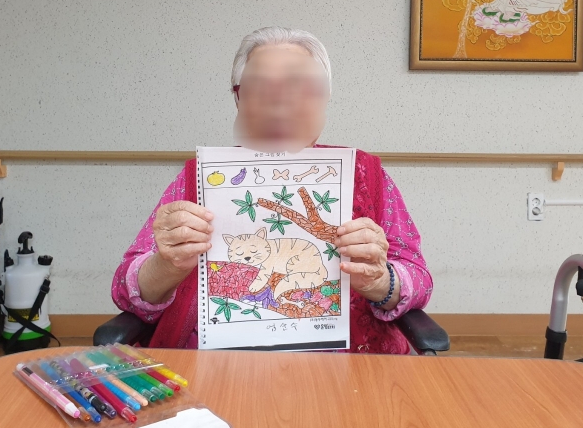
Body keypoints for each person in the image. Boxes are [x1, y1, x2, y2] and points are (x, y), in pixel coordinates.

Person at [112, 27, 432, 353]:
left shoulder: (365, 174)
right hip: (215, 363)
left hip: (347, 365)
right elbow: (126, 289)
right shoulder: (201, 177)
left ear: (324, 98)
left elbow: (419, 280)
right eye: (260, 89)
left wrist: (380, 281)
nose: (280, 104)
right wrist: (166, 266)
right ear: (238, 99)